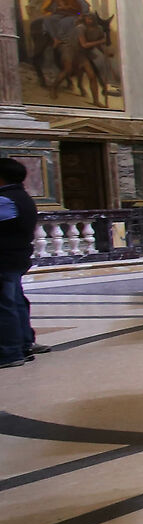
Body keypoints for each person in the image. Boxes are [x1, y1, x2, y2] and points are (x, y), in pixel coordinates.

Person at [0, 158, 37, 368]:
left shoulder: (5, 199)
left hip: (5, 258)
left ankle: (9, 352)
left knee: (5, 306)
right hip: (16, 257)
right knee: (15, 301)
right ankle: (24, 344)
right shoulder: (21, 196)